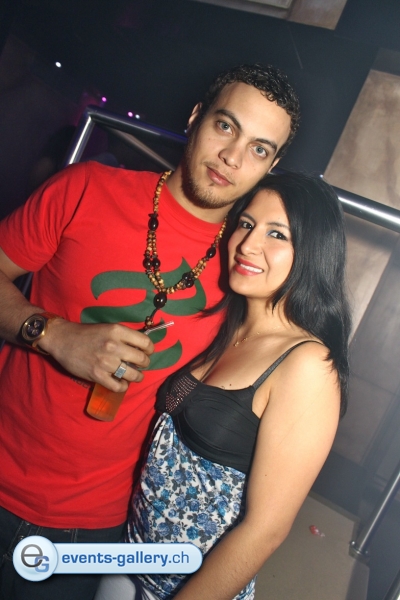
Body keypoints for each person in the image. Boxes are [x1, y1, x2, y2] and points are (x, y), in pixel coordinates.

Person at [0, 64, 300, 600]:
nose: (233, 157)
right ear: (195, 118)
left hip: (95, 524)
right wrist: (50, 333)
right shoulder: (85, 188)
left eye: (259, 149)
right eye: (225, 126)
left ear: (272, 165)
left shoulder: (245, 271)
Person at [95, 171, 351, 600]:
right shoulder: (231, 328)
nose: (247, 244)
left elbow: (264, 531)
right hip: (130, 561)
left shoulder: (307, 365)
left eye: (277, 234)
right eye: (246, 224)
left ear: (313, 253)